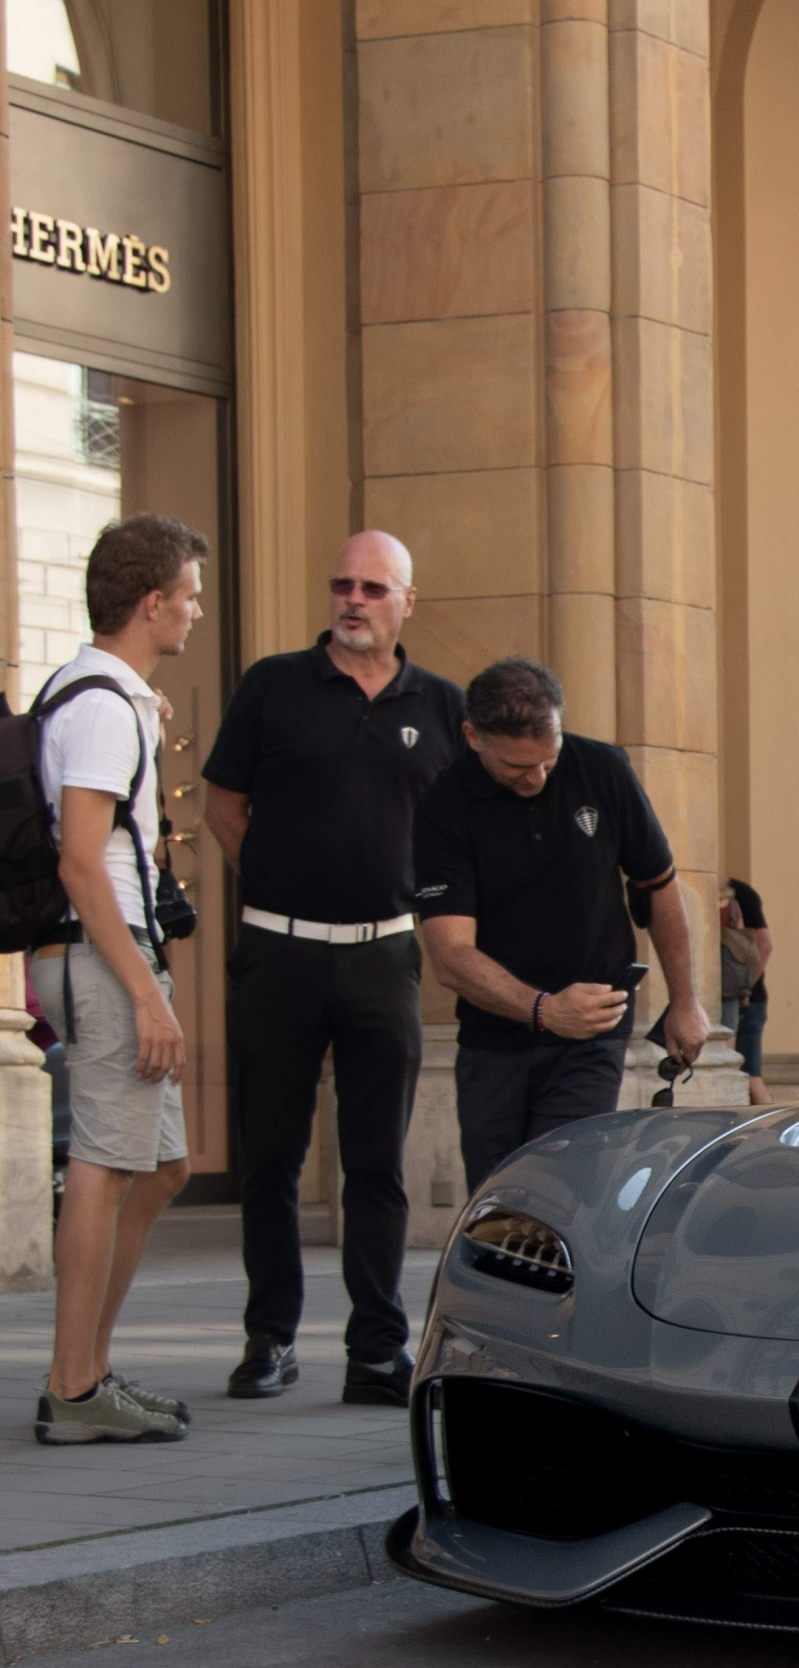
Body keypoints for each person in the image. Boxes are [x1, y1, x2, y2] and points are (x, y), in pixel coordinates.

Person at [200, 529, 464, 1406]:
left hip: (384, 956)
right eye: (341, 584)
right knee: (270, 1154)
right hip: (277, 949)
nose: (353, 599)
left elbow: (458, 833)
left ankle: (376, 1350)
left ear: (406, 603)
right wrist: (277, 879)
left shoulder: (442, 705)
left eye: (373, 588)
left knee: (375, 1162)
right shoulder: (273, 686)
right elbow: (223, 804)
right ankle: (269, 1337)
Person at [26, 514, 207, 1446]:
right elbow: (83, 865)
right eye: (188, 594)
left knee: (162, 1163)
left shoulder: (111, 697)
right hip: (104, 957)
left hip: (108, 955)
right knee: (101, 1167)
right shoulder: (100, 706)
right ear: (151, 602)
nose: (197, 609)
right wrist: (143, 993)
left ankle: (86, 1371)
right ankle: (73, 1385)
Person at [411, 658, 713, 1192]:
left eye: (547, 761)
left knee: (564, 1190)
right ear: (472, 737)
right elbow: (451, 955)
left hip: (593, 1034)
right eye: (516, 768)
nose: (537, 777)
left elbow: (660, 886)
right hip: (493, 1042)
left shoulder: (603, 769)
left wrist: (686, 1001)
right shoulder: (444, 805)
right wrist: (545, 1011)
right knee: (501, 1200)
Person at [718, 877, 772, 1107]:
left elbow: (765, 945)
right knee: (745, 1075)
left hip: (745, 1001)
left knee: (749, 1076)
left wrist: (746, 988)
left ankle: (774, 1129)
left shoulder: (740, 894)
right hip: (732, 997)